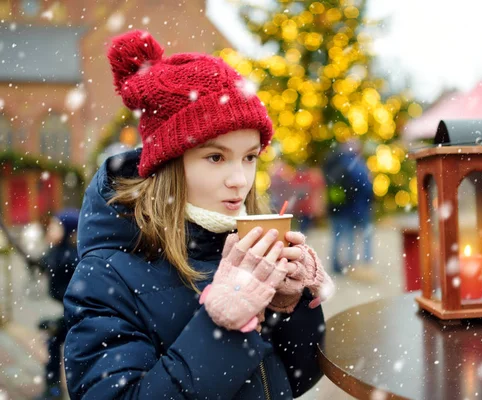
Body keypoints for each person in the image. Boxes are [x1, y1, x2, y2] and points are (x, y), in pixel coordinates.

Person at [63, 30, 334, 399]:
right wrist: (222, 327)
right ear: (169, 165)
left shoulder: (237, 240)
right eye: (216, 157)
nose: (240, 180)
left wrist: (288, 308)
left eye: (250, 157)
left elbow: (296, 378)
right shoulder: (107, 274)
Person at [36, 208, 79, 400]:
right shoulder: (56, 253)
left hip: (81, 317)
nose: (50, 231)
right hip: (69, 312)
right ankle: (53, 389)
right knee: (52, 341)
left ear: (69, 232)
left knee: (73, 350)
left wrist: (61, 322)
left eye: (55, 227)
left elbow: (79, 299)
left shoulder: (72, 258)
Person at [323, 140, 375, 281]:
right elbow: (365, 186)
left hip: (338, 207)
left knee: (340, 236)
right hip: (358, 207)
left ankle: (339, 264)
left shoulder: (335, 164)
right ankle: (363, 264)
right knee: (364, 235)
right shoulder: (356, 164)